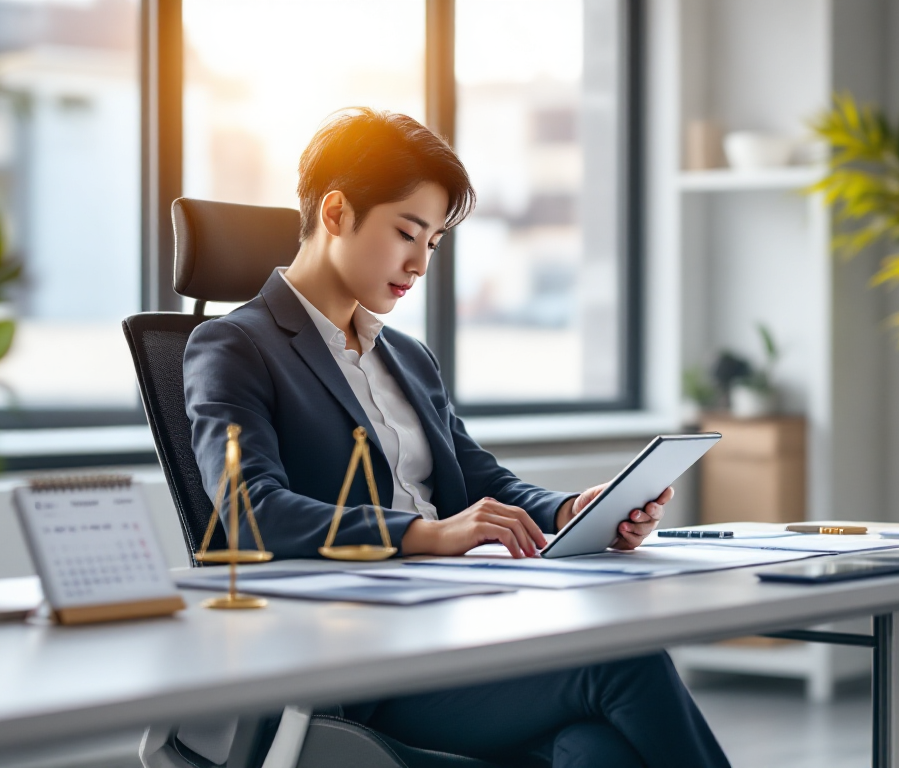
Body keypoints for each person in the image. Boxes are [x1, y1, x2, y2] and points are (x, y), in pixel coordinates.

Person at [183, 108, 730, 768]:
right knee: (624, 661)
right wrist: (423, 533)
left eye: (434, 243)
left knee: (592, 748)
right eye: (407, 233)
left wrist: (566, 511)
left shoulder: (407, 357)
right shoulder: (234, 346)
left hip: (455, 626)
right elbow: (247, 511)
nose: (419, 264)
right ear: (335, 213)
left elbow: (479, 481)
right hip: (355, 662)